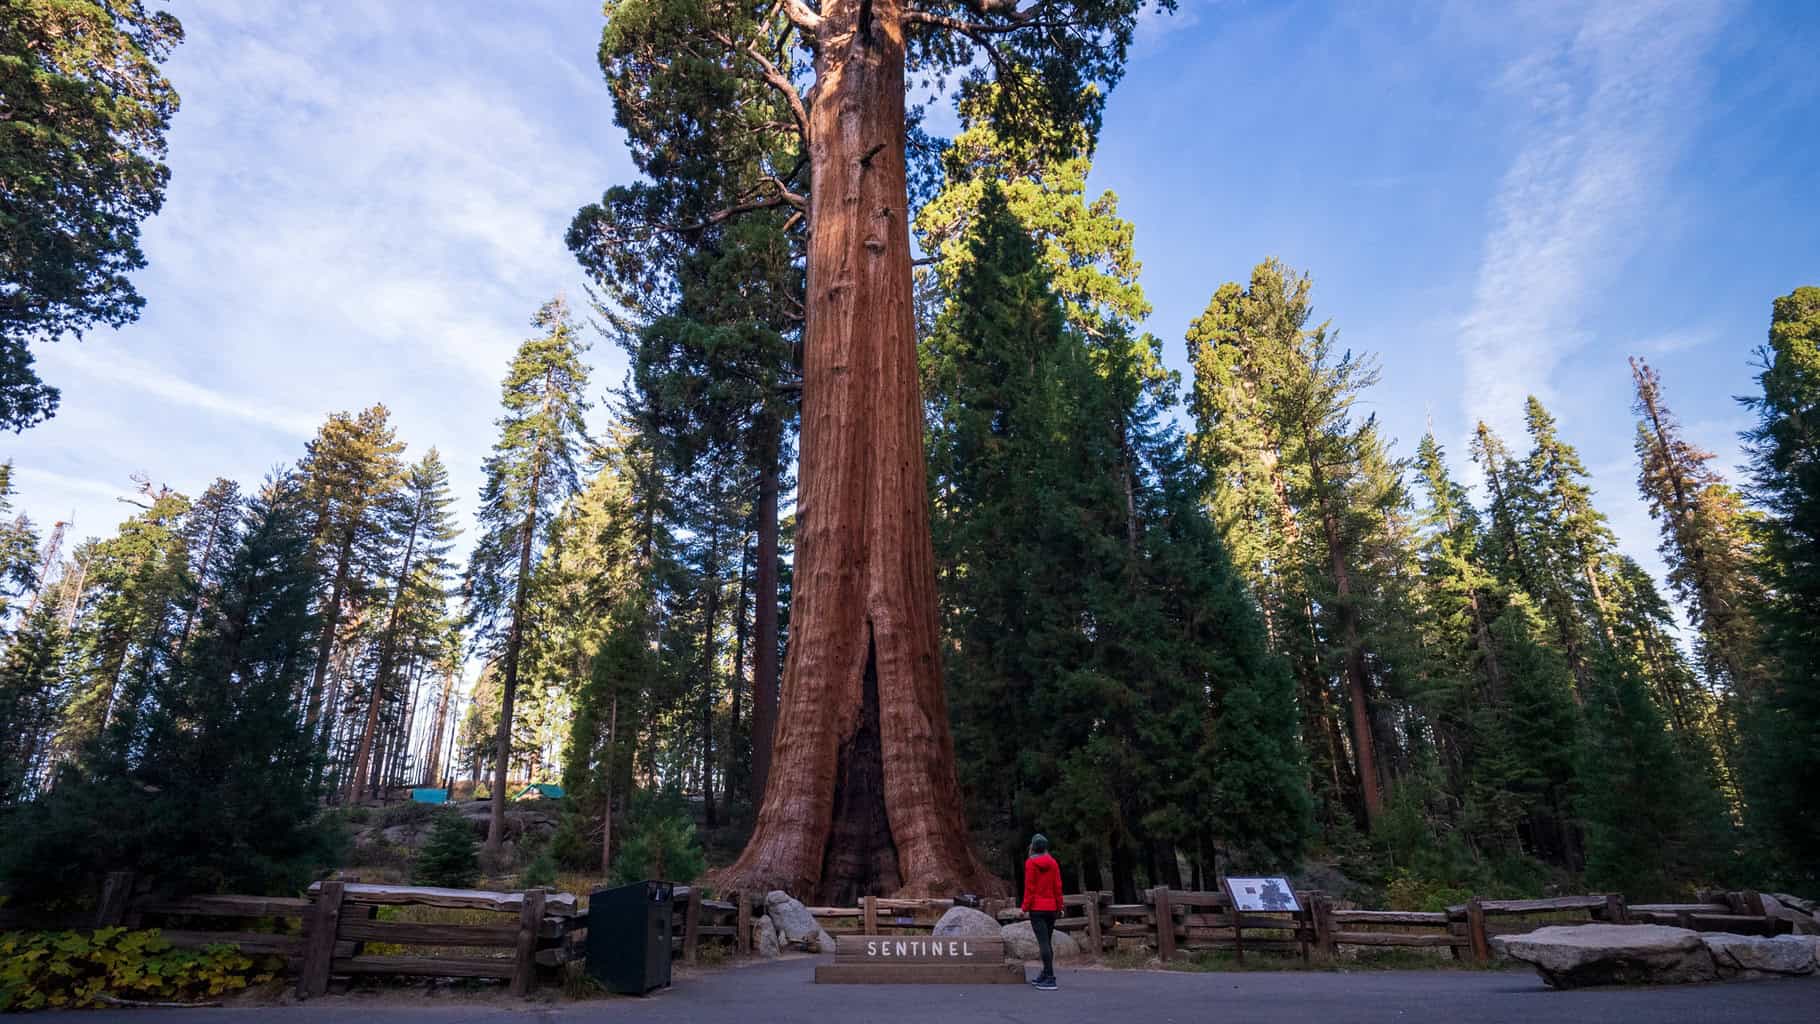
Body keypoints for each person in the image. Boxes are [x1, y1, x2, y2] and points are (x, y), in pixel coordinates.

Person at [1021, 833, 1063, 990]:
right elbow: (1058, 887)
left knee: (1043, 943)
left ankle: (1050, 977)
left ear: (1033, 846)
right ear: (1045, 847)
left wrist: (1024, 908)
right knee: (1048, 941)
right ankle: (1045, 973)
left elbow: (1029, 888)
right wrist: (1060, 906)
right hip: (1051, 908)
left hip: (1037, 909)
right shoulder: (1053, 863)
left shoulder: (1030, 863)